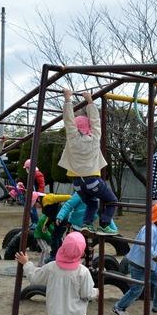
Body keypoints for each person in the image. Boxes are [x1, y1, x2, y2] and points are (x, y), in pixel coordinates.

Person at [59, 89, 118, 235]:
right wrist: (90, 102)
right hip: (93, 180)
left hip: (77, 183)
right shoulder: (95, 137)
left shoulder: (72, 139)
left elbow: (68, 120)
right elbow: (96, 122)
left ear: (76, 128)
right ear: (89, 128)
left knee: (91, 203)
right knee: (112, 200)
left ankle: (86, 224)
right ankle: (104, 224)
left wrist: (67, 100)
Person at [112, 203, 157, 315]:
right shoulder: (150, 229)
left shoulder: (155, 229)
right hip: (138, 264)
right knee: (137, 289)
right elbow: (144, 246)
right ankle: (119, 307)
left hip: (148, 264)